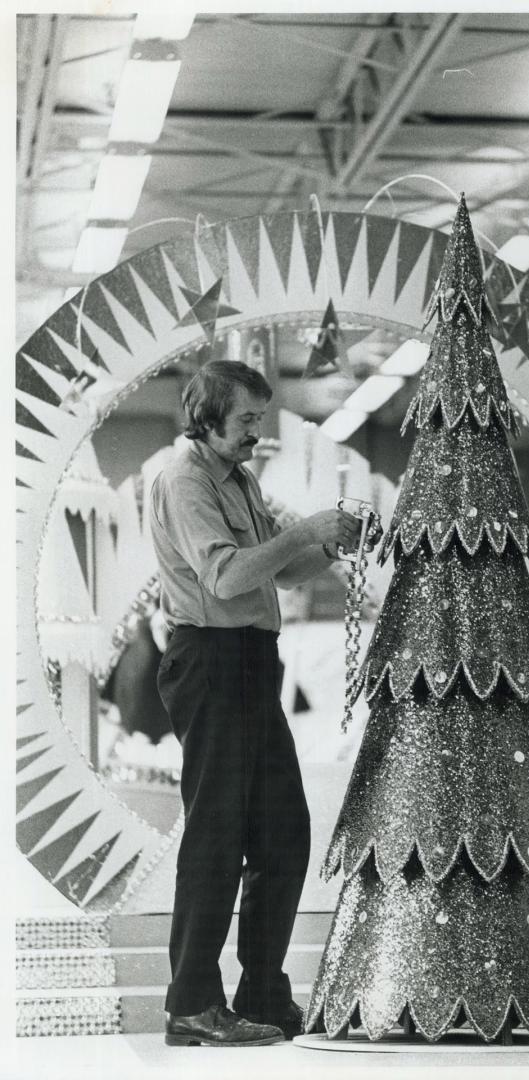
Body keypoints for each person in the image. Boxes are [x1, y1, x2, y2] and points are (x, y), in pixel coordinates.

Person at [150, 360, 367, 1047]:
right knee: (216, 831)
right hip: (211, 663)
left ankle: (262, 994)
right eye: (246, 419)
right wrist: (302, 534)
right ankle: (191, 1003)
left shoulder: (238, 480)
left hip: (248, 663)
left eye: (259, 419)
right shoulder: (185, 482)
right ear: (208, 416)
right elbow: (226, 578)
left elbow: (276, 570)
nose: (255, 432)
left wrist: (327, 544)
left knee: (281, 829)